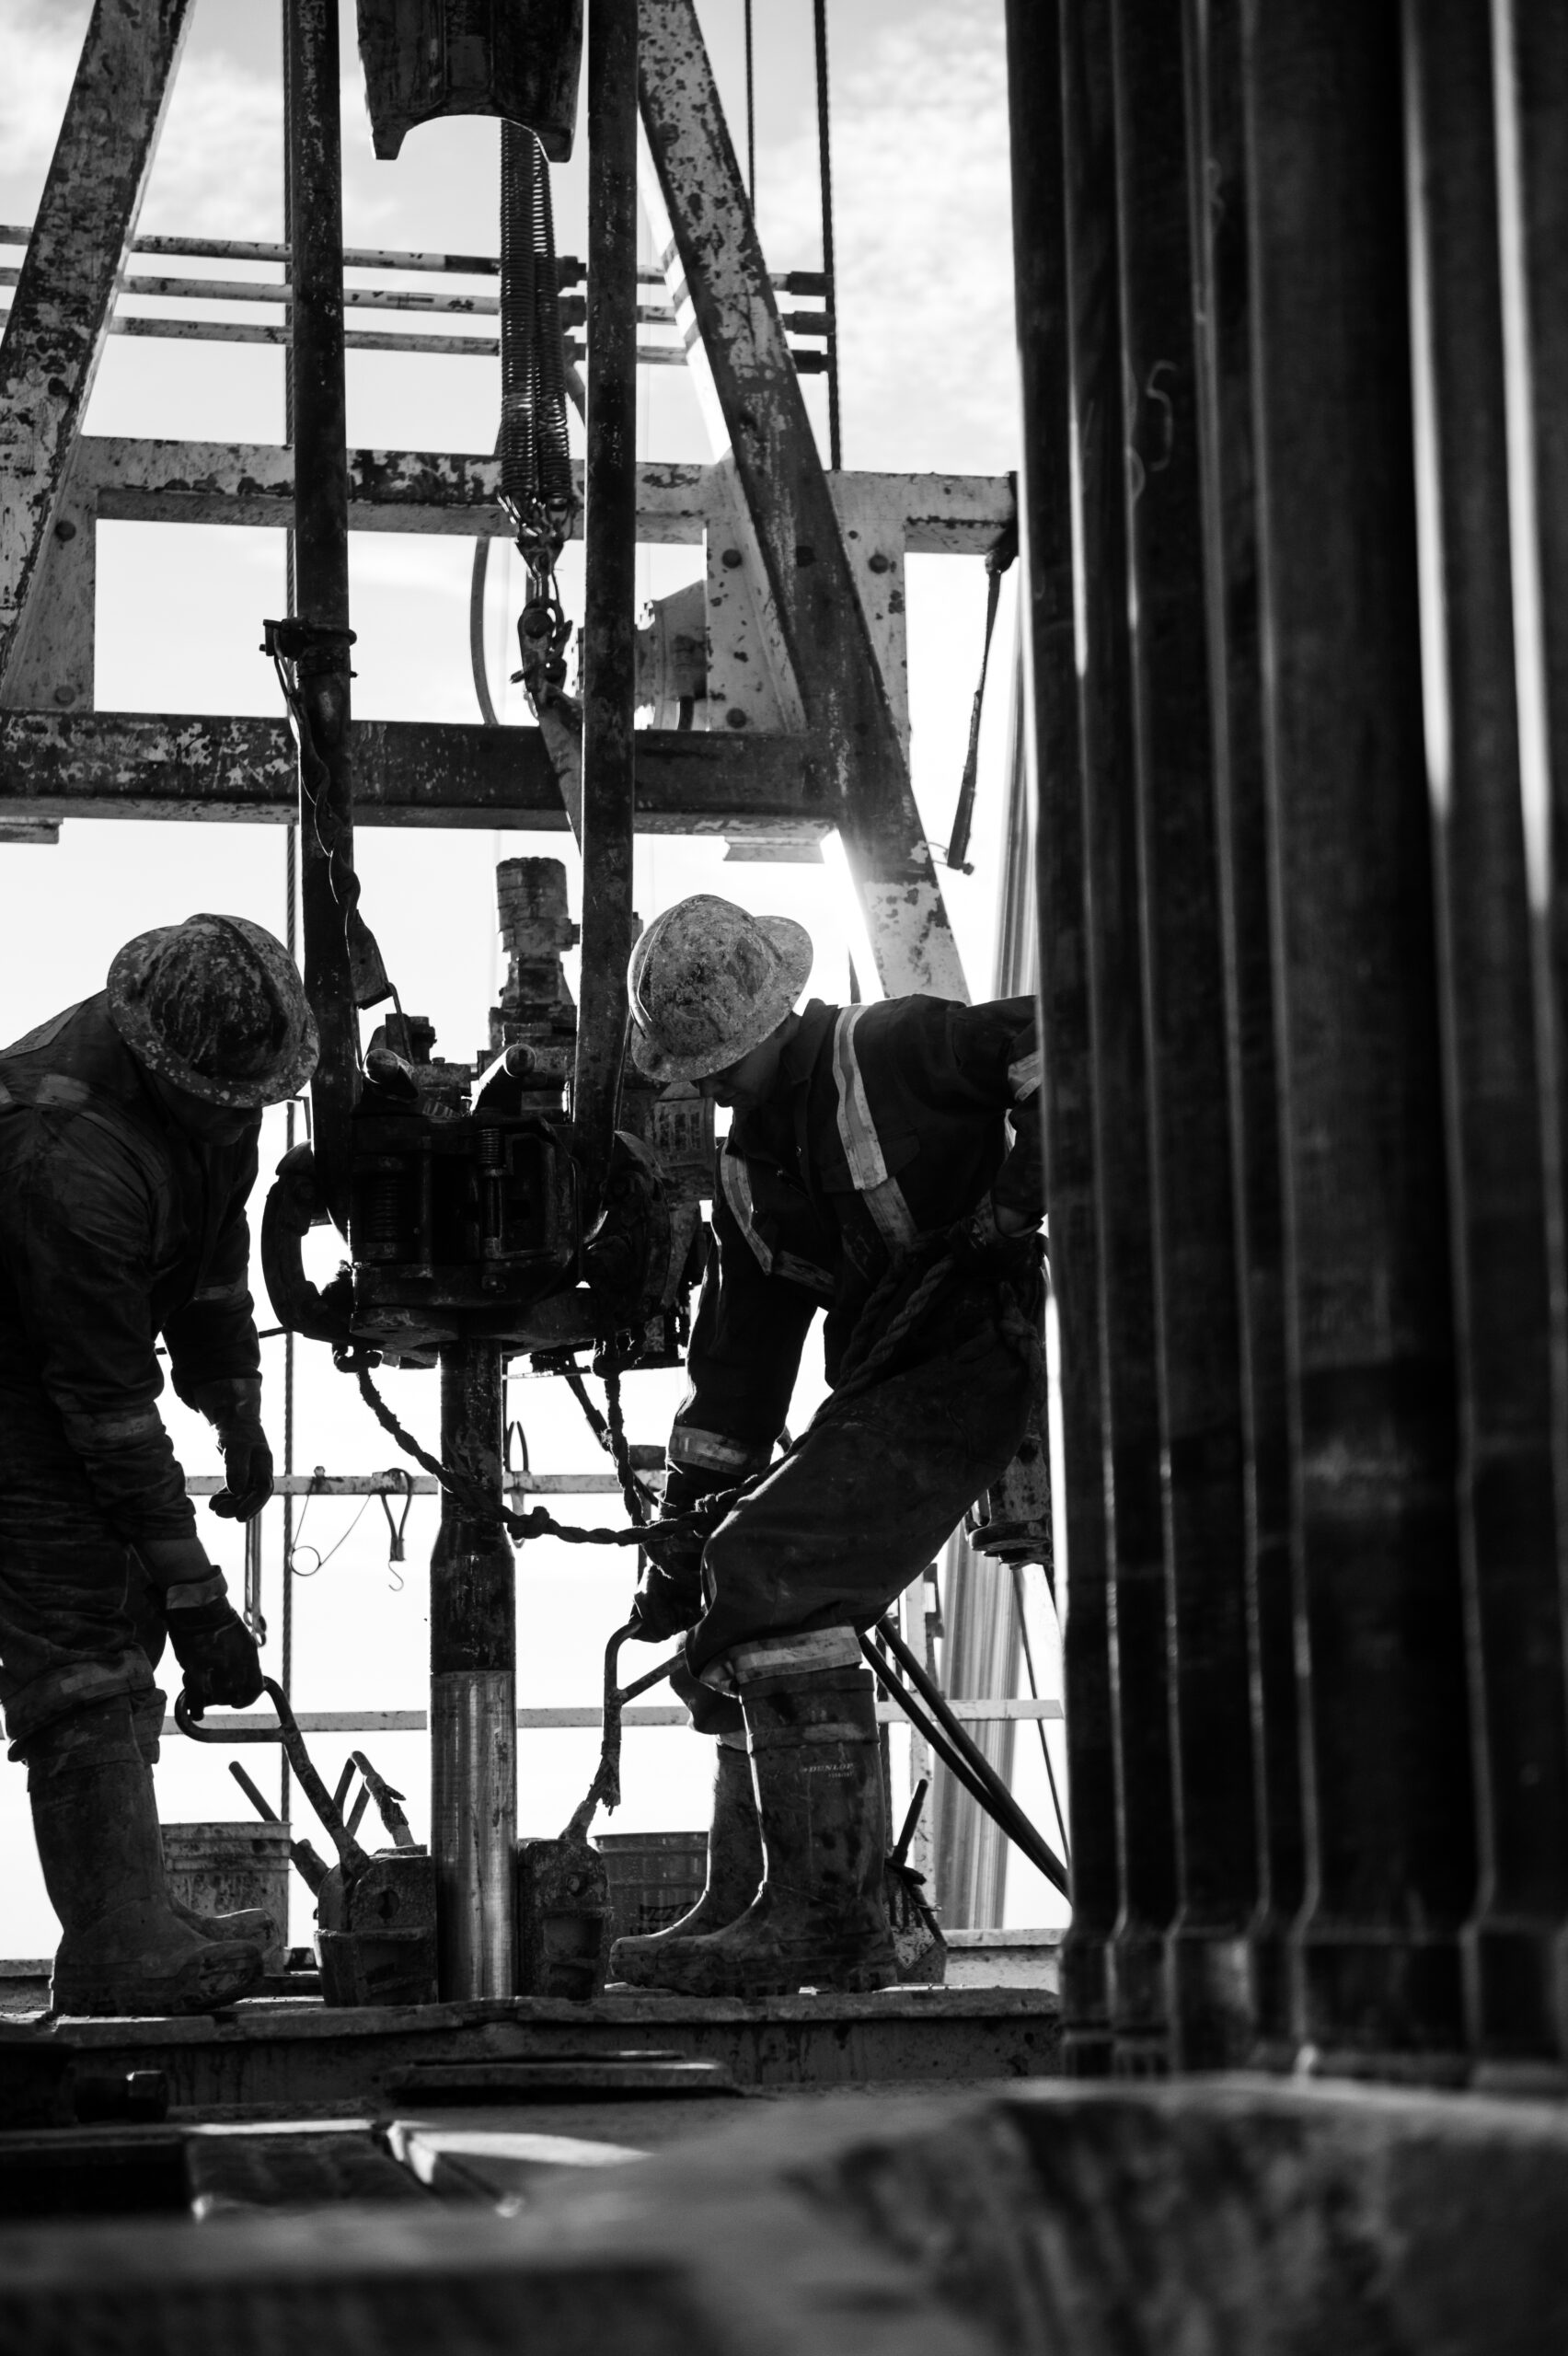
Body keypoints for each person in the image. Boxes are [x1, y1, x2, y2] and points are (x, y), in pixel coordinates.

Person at [614, 895, 1043, 1996]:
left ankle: (831, 1919)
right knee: (728, 1585)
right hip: (887, 1390)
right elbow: (739, 1369)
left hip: (978, 1352)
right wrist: (679, 1534)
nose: (706, 1084)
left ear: (769, 1024)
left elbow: (1063, 1046)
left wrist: (1017, 1197)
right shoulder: (751, 1174)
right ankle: (757, 1898)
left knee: (773, 1570)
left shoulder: (894, 1047)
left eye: (716, 1063)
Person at [0, 915, 317, 2015]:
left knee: (124, 1600)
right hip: (16, 1386)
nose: (242, 1121)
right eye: (224, 1104)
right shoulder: (64, 1153)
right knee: (78, 1631)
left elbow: (215, 1262)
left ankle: (134, 1904)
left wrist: (236, 1404)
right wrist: (199, 1593)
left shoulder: (214, 1102)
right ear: (158, 1066)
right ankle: (114, 1941)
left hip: (70, 1370)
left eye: (254, 1104)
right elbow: (106, 1416)